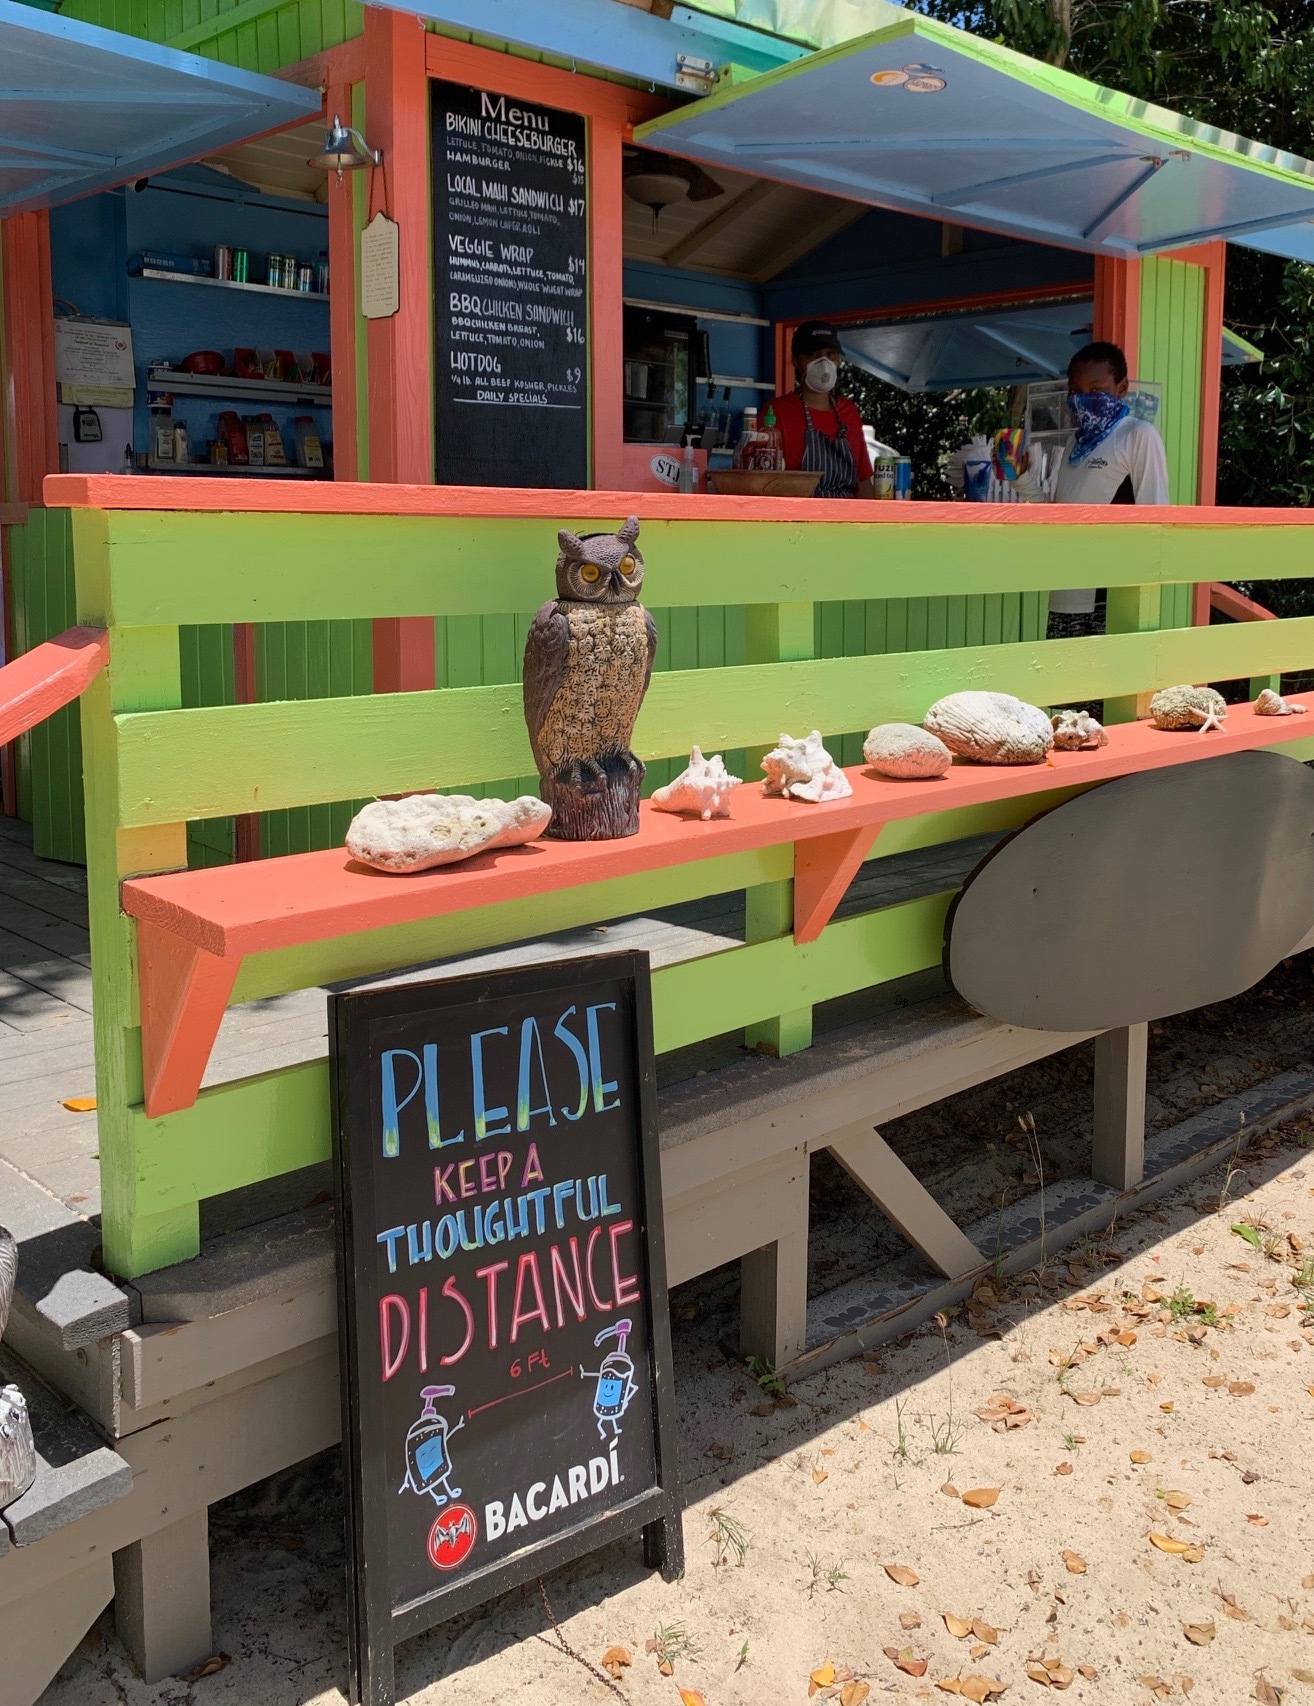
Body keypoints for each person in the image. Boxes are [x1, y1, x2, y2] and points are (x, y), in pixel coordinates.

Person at [1012, 340, 1169, 637]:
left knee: (1109, 683)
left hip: (1108, 599)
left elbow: (1156, 518)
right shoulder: (1075, 442)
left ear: (1121, 388)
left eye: (1096, 390)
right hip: (1064, 594)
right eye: (1075, 391)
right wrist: (1021, 477)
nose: (1083, 399)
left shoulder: (1138, 435)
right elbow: (1060, 519)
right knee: (1060, 682)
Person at [767, 322, 875, 499]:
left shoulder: (849, 412)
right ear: (796, 361)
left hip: (847, 518)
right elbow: (766, 484)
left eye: (831, 355)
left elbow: (863, 480)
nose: (824, 364)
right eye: (814, 355)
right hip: (799, 519)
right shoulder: (777, 412)